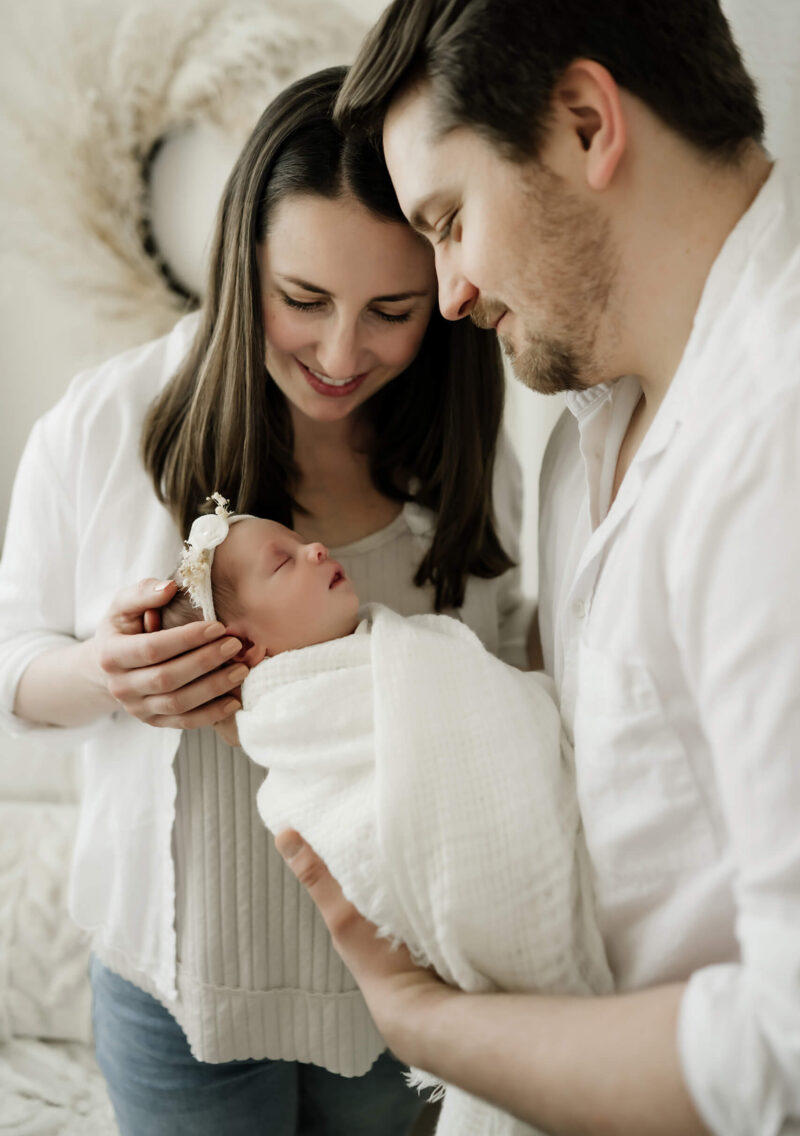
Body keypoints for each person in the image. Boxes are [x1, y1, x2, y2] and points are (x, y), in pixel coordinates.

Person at [273, 0, 800, 1136]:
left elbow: (783, 1051)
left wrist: (418, 1021)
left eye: (449, 219)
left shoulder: (775, 446)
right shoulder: (580, 434)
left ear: (580, 122)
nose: (448, 292)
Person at [0, 66, 533, 1136]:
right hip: (172, 992)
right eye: (302, 301)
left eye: (392, 310)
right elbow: (13, 671)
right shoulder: (106, 424)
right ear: (240, 264)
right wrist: (101, 676)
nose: (342, 356)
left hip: (405, 997)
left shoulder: (475, 465)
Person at [166, 494, 612, 1136]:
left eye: (301, 540)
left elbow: (489, 700)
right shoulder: (298, 725)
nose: (315, 548)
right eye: (283, 562)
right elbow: (352, 812)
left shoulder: (399, 644)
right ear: (247, 648)